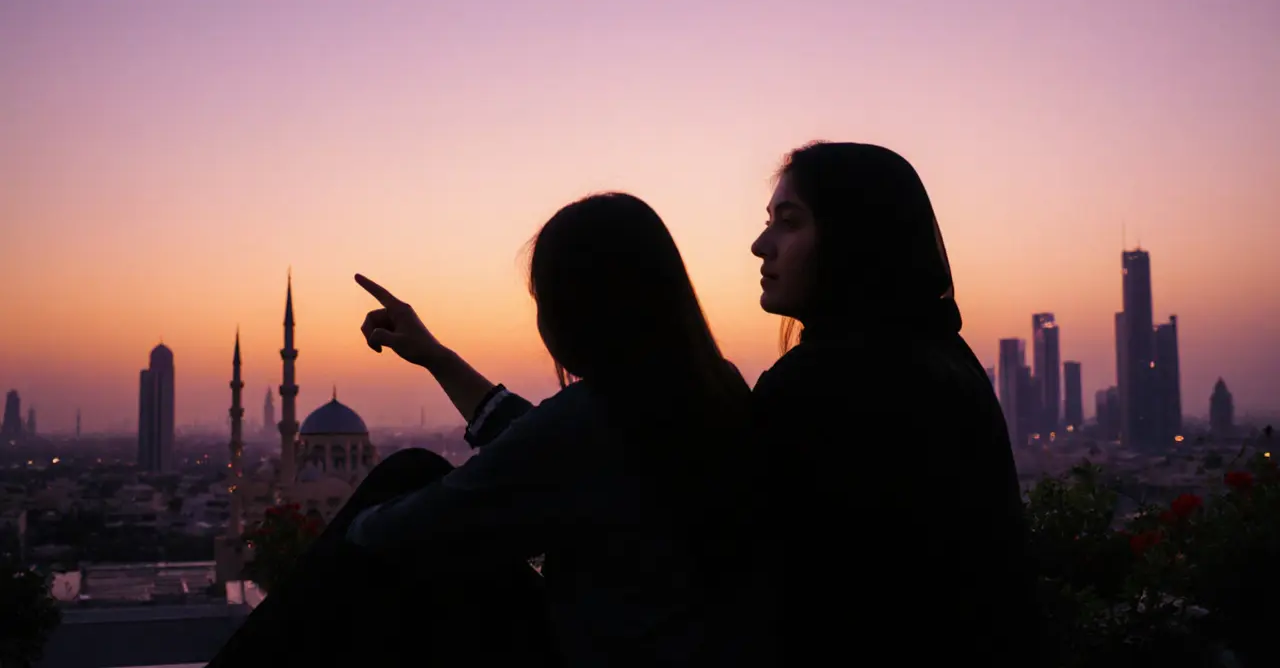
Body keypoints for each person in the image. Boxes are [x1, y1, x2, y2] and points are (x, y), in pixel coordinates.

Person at [210, 192, 752, 667]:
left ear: (576, 311)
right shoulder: (710, 389)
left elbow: (418, 526)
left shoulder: (588, 420)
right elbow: (541, 442)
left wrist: (348, 532)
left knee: (410, 472)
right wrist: (438, 358)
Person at [746, 142, 1039, 665]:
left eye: (789, 223)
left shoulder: (816, 385)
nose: (760, 244)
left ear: (851, 239)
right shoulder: (944, 358)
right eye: (769, 221)